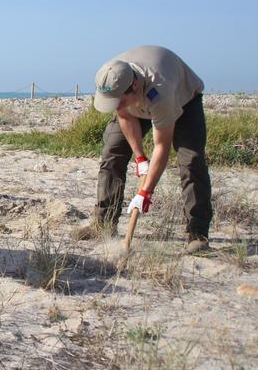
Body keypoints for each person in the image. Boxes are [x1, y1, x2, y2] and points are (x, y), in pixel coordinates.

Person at [72, 45, 212, 254]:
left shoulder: (161, 93)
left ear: (134, 85)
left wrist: (145, 193)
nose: (116, 106)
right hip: (137, 104)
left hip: (184, 102)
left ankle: (197, 233)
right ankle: (104, 223)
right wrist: (140, 158)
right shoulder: (113, 77)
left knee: (191, 161)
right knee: (113, 151)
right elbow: (125, 114)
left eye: (119, 100)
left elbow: (162, 146)